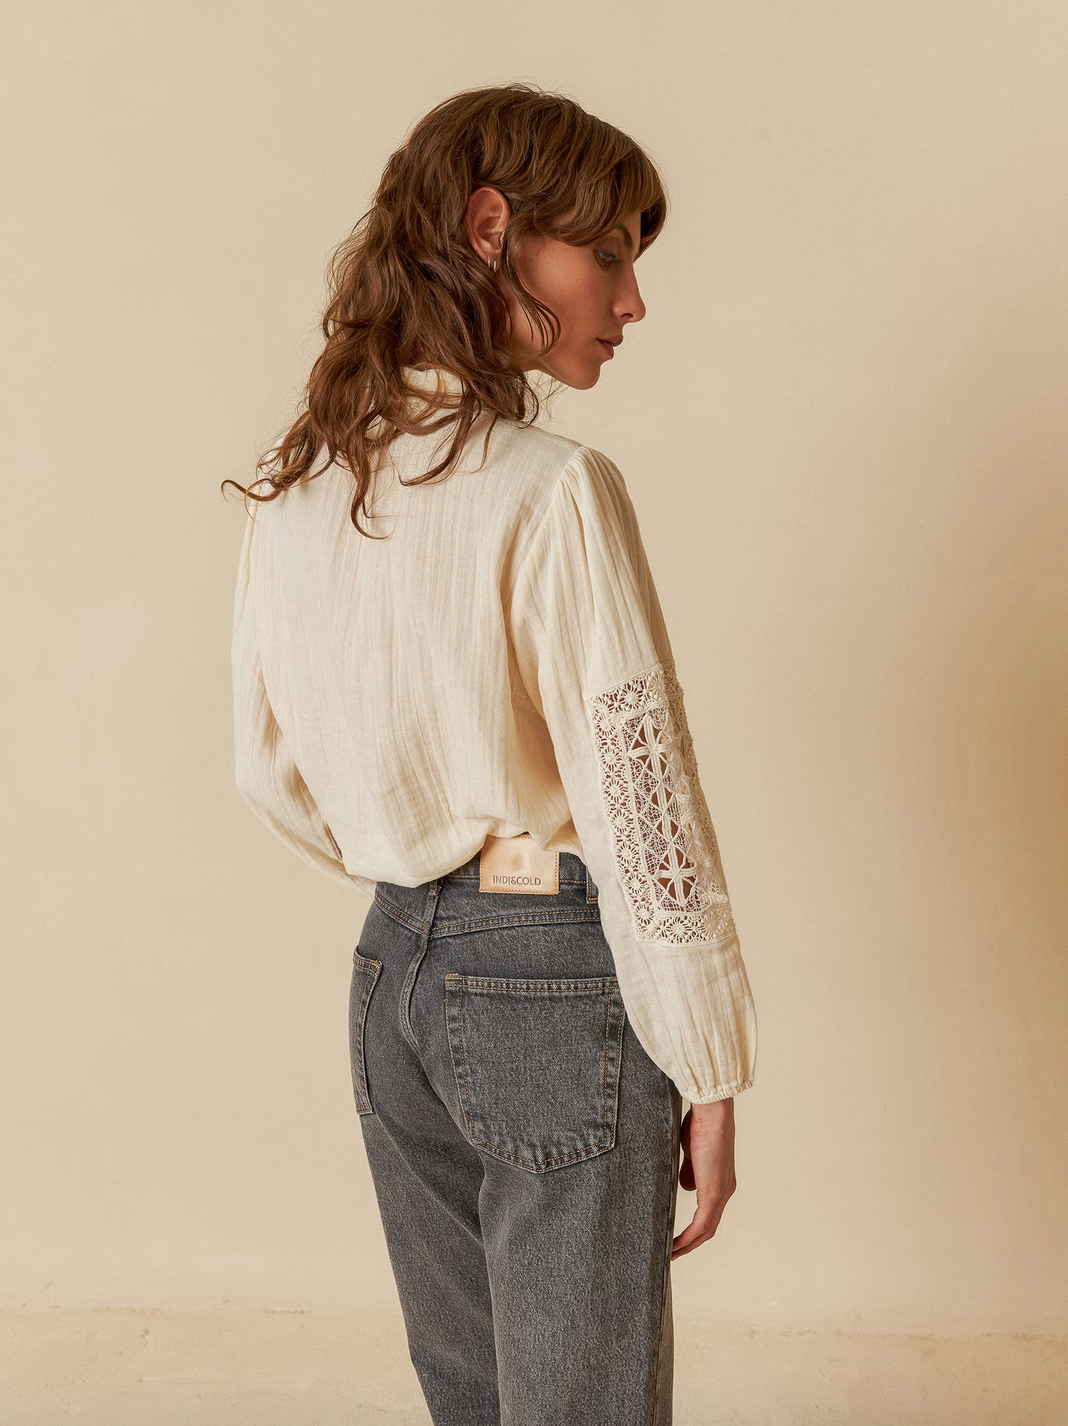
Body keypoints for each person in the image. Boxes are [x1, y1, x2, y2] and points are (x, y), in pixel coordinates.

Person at [225, 82, 757, 1426]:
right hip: (556, 984)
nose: (631, 300)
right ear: (491, 226)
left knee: (477, 1403)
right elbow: (642, 801)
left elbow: (267, 770)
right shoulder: (553, 488)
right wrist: (709, 1058)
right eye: (612, 254)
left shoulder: (306, 494)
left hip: (390, 971)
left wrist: (429, 865)